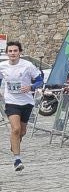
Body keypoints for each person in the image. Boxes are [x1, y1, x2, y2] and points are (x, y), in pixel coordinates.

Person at [2, 40, 41, 170]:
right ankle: (17, 160)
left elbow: (40, 80)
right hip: (11, 101)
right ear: (7, 53)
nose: (13, 53)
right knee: (16, 129)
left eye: (15, 51)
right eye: (10, 51)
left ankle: (14, 145)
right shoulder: (2, 66)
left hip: (27, 102)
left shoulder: (27, 65)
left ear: (20, 52)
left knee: (22, 132)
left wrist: (31, 86)